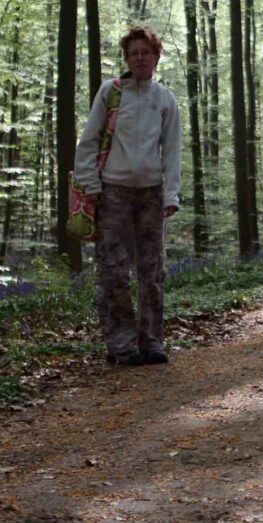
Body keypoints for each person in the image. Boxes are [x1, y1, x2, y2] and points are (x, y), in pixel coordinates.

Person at [74, 26, 181, 366]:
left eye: (145, 52)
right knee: (114, 271)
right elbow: (89, 141)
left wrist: (171, 195)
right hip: (113, 192)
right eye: (134, 53)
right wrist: (91, 184)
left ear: (156, 57)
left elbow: (172, 150)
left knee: (152, 271)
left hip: (151, 192)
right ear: (126, 58)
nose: (140, 58)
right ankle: (121, 346)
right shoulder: (111, 92)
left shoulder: (165, 98)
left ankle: (152, 342)